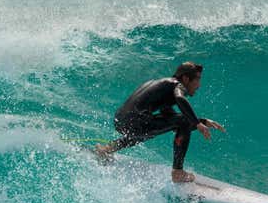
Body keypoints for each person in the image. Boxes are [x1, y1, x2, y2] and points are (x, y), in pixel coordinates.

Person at [95, 62, 225, 183]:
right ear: (186, 78)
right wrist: (197, 124)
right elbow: (180, 99)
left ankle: (107, 149)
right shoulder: (176, 85)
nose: (199, 85)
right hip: (135, 122)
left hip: (121, 121)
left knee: (149, 130)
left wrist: (202, 121)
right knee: (180, 121)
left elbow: (171, 120)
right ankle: (178, 172)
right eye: (197, 79)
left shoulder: (163, 86)